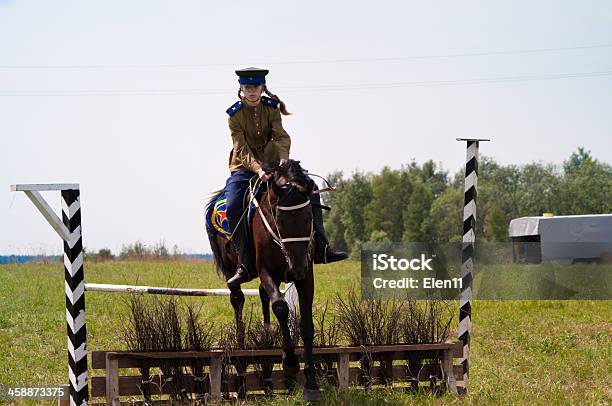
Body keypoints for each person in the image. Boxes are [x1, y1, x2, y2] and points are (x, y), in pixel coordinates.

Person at [224, 67, 347, 288]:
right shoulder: (234, 115)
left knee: (310, 186)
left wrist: (283, 160)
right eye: (248, 87)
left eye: (256, 87)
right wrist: (257, 169)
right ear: (241, 88)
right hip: (243, 168)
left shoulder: (271, 108)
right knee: (232, 204)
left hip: (274, 163)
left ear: (263, 88)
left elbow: (281, 136)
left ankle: (321, 247)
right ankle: (245, 263)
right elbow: (240, 148)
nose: (252, 91)